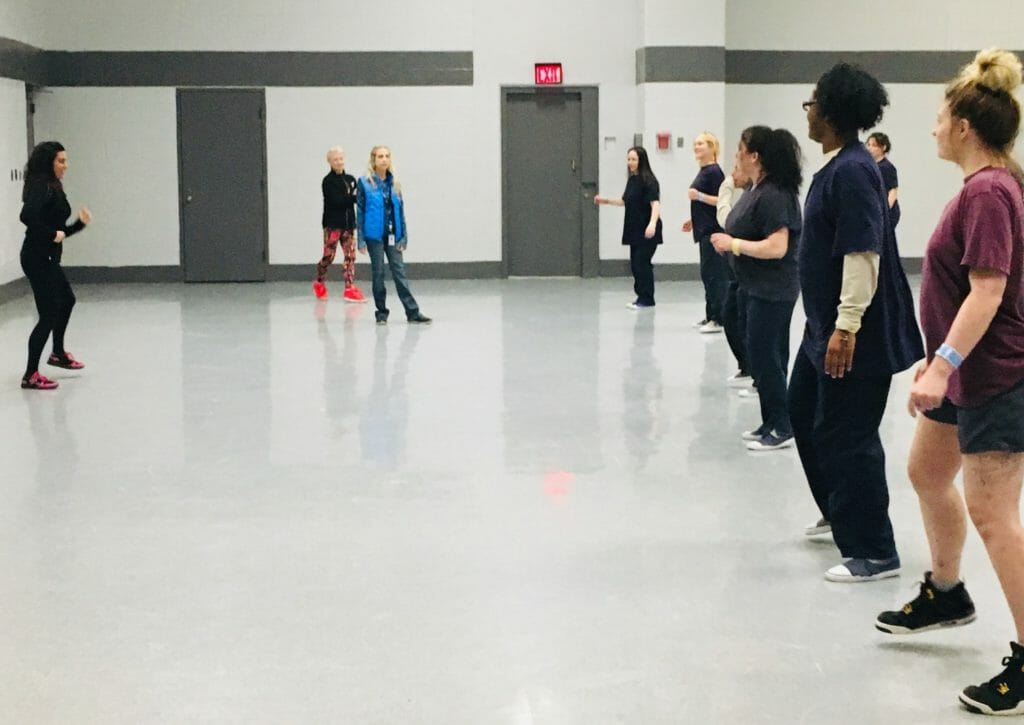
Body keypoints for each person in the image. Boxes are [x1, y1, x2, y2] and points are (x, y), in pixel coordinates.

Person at [872, 49, 1024, 717]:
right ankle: (946, 590)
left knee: (993, 514)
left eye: (938, 117)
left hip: (996, 376)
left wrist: (944, 365)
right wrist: (940, 359)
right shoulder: (982, 188)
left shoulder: (990, 190)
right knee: (928, 471)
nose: (931, 127)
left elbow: (987, 292)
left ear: (964, 125)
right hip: (962, 375)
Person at [790, 63, 923, 581]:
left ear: (831, 111)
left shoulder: (851, 171)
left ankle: (874, 551)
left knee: (849, 432)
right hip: (822, 329)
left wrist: (846, 326)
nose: (809, 111)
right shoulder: (840, 166)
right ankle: (840, 507)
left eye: (813, 102)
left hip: (854, 334)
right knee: (804, 410)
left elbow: (862, 252)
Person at [711, 126, 803, 451]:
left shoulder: (776, 194)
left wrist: (733, 244)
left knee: (766, 357)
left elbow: (777, 247)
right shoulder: (756, 190)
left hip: (773, 289)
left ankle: (782, 425)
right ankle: (770, 420)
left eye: (740, 149)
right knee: (764, 355)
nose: (736, 155)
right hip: (754, 286)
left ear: (755, 156)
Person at [19, 141, 92, 390]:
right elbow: (26, 216)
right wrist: (52, 235)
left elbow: (58, 231)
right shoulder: (41, 186)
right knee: (48, 315)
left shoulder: (52, 186)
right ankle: (30, 374)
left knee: (67, 300)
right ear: (48, 163)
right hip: (37, 258)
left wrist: (78, 226)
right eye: (61, 161)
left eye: (65, 160)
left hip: (47, 257)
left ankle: (57, 353)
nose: (65, 166)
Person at [356, 146, 431, 325]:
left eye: (387, 156)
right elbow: (359, 211)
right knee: (379, 273)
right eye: (380, 156)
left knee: (399, 272)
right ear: (373, 160)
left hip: (392, 235)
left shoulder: (395, 183)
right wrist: (360, 239)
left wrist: (403, 235)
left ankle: (412, 312)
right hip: (374, 235)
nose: (384, 159)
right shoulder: (365, 183)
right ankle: (381, 312)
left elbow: (400, 210)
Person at [594, 146, 663, 309]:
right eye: (629, 159)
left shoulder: (650, 181)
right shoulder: (632, 180)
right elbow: (625, 201)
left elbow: (655, 204)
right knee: (635, 264)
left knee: (642, 262)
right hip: (634, 228)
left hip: (647, 229)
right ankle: (640, 296)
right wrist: (606, 201)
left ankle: (647, 298)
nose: (630, 162)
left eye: (634, 159)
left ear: (641, 160)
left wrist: (652, 223)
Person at [681, 132, 727, 333]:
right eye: (695, 143)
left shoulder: (714, 172)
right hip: (703, 229)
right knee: (707, 275)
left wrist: (698, 196)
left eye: (700, 143)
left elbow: (721, 201)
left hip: (713, 231)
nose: (696, 147)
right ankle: (711, 315)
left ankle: (719, 318)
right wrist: (694, 219)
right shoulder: (704, 171)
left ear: (711, 147)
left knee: (714, 275)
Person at [312, 146, 366, 303]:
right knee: (329, 256)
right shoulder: (328, 181)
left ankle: (349, 288)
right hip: (332, 225)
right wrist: (352, 197)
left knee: (350, 256)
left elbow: (357, 198)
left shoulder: (350, 179)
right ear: (329, 161)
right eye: (335, 159)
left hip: (349, 225)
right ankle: (319, 281)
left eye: (341, 158)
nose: (339, 162)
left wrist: (354, 197)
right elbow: (337, 201)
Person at [717, 162, 752, 388]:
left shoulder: (762, 196)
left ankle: (757, 376)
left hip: (753, 276)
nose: (733, 173)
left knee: (749, 325)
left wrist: (725, 190)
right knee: (731, 316)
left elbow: (729, 222)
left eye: (738, 167)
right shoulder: (750, 195)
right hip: (740, 271)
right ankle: (747, 367)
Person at [866, 132, 901, 228]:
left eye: (874, 145)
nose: (870, 148)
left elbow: (893, 192)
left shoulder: (888, 167)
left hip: (886, 212)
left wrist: (884, 211)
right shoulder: (870, 166)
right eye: (868, 145)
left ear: (883, 147)